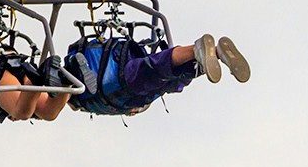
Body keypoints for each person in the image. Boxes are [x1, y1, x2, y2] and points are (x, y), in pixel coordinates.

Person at [67, 32, 249, 116]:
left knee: (157, 71)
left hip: (121, 81)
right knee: (171, 81)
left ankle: (196, 49)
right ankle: (215, 54)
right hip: (133, 92)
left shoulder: (82, 97)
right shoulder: (89, 102)